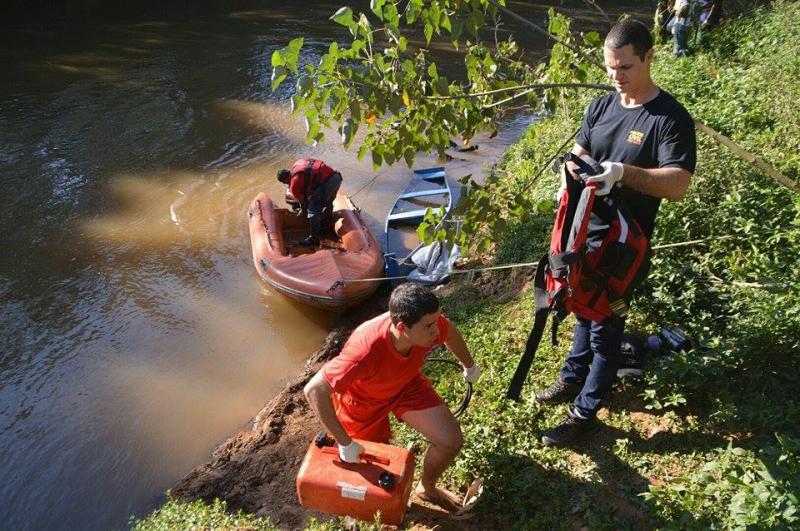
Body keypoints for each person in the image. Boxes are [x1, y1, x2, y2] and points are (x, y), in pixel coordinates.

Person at [536, 19, 696, 447]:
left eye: (625, 67)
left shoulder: (669, 118)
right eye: (610, 68)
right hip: (582, 233)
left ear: (648, 58)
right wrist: (570, 172)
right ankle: (572, 376)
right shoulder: (603, 106)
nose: (617, 76)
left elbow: (678, 183)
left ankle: (584, 412)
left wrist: (623, 174)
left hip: (625, 246)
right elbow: (581, 150)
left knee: (607, 324)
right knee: (582, 307)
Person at [304, 283, 481, 511]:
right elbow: (314, 389)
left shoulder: (429, 326)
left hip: (407, 385)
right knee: (362, 465)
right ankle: (365, 508)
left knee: (450, 441)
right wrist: (345, 443)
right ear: (401, 327)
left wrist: (469, 365)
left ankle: (426, 488)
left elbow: (450, 332)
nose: (436, 330)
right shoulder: (364, 351)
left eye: (436, 320)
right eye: (429, 326)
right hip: (362, 403)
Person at [277, 158, 343, 246]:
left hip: (328, 183)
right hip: (336, 176)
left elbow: (303, 203)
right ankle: (326, 227)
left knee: (313, 209)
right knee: (327, 203)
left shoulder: (294, 184)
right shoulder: (297, 164)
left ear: (285, 181)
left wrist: (304, 210)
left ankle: (314, 239)